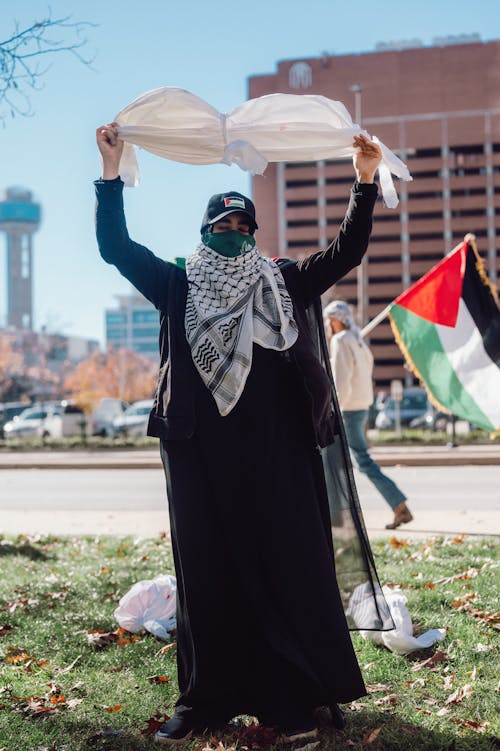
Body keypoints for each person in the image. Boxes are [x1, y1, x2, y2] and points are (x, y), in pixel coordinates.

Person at [95, 122, 383, 745]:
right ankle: (205, 701)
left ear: (255, 233)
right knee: (206, 573)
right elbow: (116, 247)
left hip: (277, 456)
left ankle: (296, 699)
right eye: (220, 229)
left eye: (241, 228)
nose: (232, 238)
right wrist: (110, 172)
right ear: (203, 234)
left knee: (286, 566)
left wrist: (363, 182)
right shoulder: (177, 283)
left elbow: (345, 252)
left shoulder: (281, 281)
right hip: (199, 454)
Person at [324, 300, 414, 530]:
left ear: (336, 320)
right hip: (362, 407)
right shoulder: (357, 340)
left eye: (329, 320)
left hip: (348, 409)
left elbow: (341, 381)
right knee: (353, 461)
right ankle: (396, 506)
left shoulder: (341, 340)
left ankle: (339, 517)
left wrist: (335, 409)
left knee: (344, 462)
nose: (327, 325)